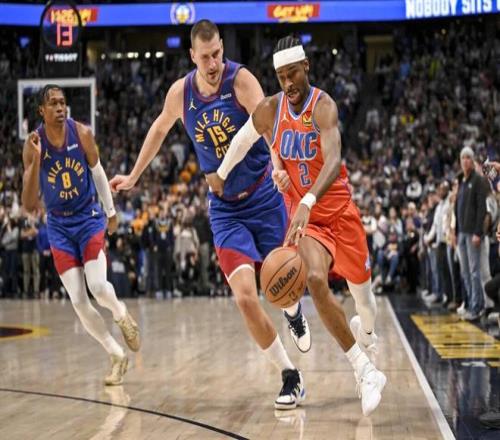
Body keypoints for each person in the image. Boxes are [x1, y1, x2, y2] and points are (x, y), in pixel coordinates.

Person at [110, 20, 310, 409]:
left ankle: (293, 312)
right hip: (225, 209)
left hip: (264, 196)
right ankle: (290, 374)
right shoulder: (181, 93)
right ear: (192, 56)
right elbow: (159, 129)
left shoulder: (241, 81)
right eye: (205, 57)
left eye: (217, 53)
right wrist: (133, 176)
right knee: (245, 297)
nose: (214, 63)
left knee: (283, 285)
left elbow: (270, 126)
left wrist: (279, 165)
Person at [207, 36, 385, 416]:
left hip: (339, 213)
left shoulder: (324, 106)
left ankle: (367, 334)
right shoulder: (270, 110)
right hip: (310, 223)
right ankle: (364, 370)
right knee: (315, 280)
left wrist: (307, 199)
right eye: (281, 76)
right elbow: (242, 140)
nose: (288, 83)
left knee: (365, 304)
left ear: (306, 67)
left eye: (293, 74)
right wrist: (221, 174)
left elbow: (333, 160)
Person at [21, 85, 141, 386]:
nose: (60, 108)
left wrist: (111, 212)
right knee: (78, 300)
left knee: (98, 286)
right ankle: (116, 355)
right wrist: (35, 162)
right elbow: (29, 204)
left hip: (88, 217)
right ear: (41, 111)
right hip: (59, 226)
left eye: (62, 102)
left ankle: (121, 313)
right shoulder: (33, 144)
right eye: (53, 103)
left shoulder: (82, 133)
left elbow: (98, 173)